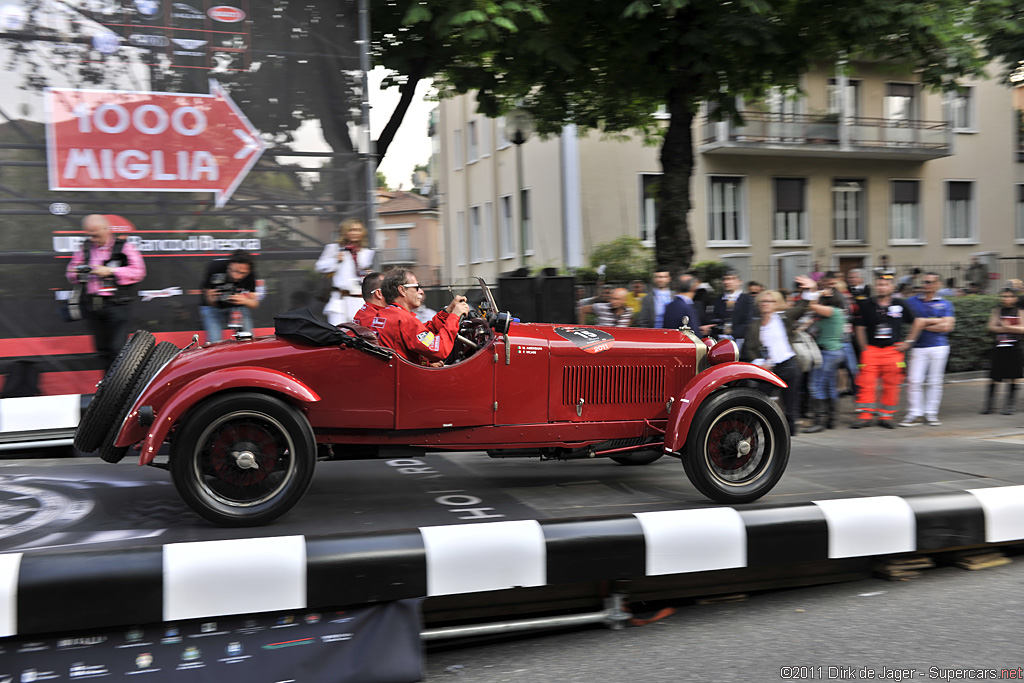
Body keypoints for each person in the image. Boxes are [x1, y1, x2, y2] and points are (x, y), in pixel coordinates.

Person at [740, 275, 819, 435]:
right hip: (768, 368)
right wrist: (760, 362)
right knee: (760, 402)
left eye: (770, 301)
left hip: (789, 365)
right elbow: (750, 348)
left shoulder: (784, 317)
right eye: (763, 301)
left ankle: (789, 436)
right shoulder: (754, 325)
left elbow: (802, 306)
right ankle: (748, 433)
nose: (766, 304)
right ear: (759, 304)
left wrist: (809, 288)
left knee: (790, 405)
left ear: (776, 304)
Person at [66, 214, 146, 365]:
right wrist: (77, 273)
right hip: (93, 304)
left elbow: (139, 271)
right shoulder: (85, 248)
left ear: (106, 229)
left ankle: (121, 386)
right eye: (89, 235)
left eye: (96, 235)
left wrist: (110, 271)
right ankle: (108, 386)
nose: (93, 239)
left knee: (118, 349)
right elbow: (70, 272)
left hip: (117, 303)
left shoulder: (124, 247)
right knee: (102, 350)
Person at [851, 274, 917, 429]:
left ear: (892, 287)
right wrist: (864, 348)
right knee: (866, 383)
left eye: (885, 285)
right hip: (871, 351)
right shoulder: (867, 304)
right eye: (879, 284)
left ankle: (886, 416)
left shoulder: (900, 304)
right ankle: (865, 415)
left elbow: (917, 322)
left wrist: (908, 342)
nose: (882, 287)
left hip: (893, 351)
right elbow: (860, 327)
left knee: (892, 383)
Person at [374, 268, 470, 366]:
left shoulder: (385, 314)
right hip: (404, 377)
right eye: (417, 287)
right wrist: (455, 316)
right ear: (402, 290)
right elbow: (439, 350)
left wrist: (447, 312)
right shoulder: (404, 320)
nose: (421, 292)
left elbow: (422, 334)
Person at [900, 272, 956, 426]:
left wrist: (922, 324)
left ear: (938, 285)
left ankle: (931, 414)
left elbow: (948, 326)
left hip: (939, 347)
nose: (927, 285)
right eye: (925, 282)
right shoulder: (911, 302)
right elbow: (901, 319)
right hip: (918, 347)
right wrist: (936, 323)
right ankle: (914, 413)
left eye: (931, 282)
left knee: (935, 382)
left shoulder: (946, 304)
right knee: (914, 381)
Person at [803, 277, 846, 433]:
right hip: (833, 352)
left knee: (815, 386)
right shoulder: (835, 313)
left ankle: (819, 421)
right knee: (829, 386)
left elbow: (811, 305)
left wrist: (818, 291)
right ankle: (831, 420)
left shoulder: (831, 311)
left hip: (828, 352)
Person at [316, 217, 375, 325]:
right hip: (340, 302)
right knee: (340, 335)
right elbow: (319, 267)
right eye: (351, 230)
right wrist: (335, 261)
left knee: (360, 335)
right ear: (345, 231)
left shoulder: (366, 252)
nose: (355, 233)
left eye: (358, 230)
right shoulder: (334, 248)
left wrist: (368, 276)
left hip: (359, 300)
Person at [199, 250, 259, 343]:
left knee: (247, 340)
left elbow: (254, 303)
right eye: (234, 271)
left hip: (236, 308)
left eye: (242, 273)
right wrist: (214, 298)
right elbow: (209, 299)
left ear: (248, 271)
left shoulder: (251, 274)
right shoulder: (215, 267)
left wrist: (244, 300)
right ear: (229, 265)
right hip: (213, 308)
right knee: (214, 343)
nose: (237, 276)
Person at [981, 288, 1024, 415]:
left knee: (1013, 377)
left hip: (1014, 347)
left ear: (1015, 298)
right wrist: (1009, 328)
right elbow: (991, 327)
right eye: (1004, 296)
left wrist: (1006, 327)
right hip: (999, 347)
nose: (1006, 299)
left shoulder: (1020, 311)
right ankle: (989, 405)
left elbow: (1022, 329)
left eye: (1010, 296)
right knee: (994, 377)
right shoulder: (997, 311)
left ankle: (1009, 405)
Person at [710, 270, 752, 345]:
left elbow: (748, 322)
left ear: (739, 281)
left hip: (741, 341)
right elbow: (715, 319)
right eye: (725, 279)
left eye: (731, 279)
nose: (727, 282)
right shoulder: (718, 300)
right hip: (720, 341)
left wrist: (732, 334)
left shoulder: (747, 299)